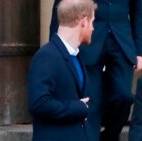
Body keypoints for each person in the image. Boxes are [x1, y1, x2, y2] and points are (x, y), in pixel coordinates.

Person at [49, 0, 142, 141]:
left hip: (122, 40)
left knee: (124, 96)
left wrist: (140, 50)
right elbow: (61, 4)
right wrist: (56, 46)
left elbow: (138, 11)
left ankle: (109, 136)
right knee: (91, 101)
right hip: (88, 38)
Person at [28, 0, 97, 141]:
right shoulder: (46, 56)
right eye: (92, 22)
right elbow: (39, 104)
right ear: (84, 22)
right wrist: (79, 107)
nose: (93, 28)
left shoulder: (77, 56)